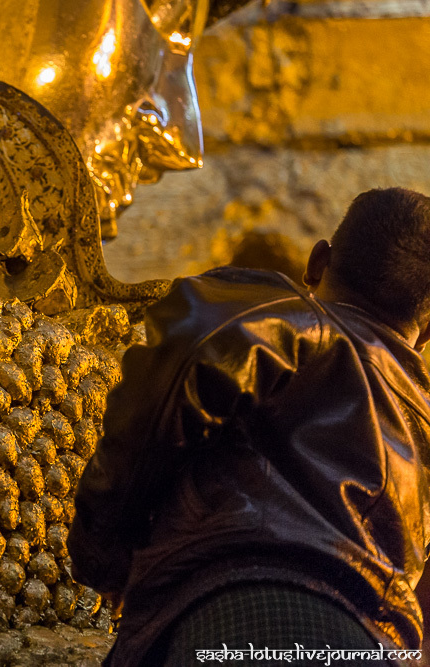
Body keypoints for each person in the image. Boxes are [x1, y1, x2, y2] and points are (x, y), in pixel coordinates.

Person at [68, 187, 430, 666]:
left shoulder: (281, 318)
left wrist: (103, 556)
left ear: (317, 262)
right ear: (426, 332)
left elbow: (168, 389)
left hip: (253, 615)